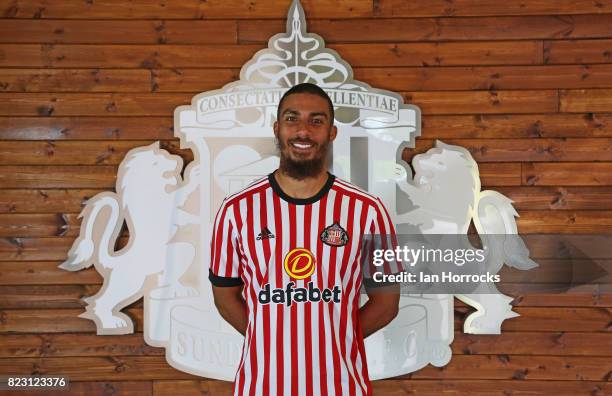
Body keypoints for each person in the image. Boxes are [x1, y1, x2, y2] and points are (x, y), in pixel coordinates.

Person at [209, 83, 400, 396]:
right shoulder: (236, 210)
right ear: (277, 128)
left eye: (316, 121)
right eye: (292, 119)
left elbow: (386, 304)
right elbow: (225, 296)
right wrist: (269, 338)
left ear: (331, 132)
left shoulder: (368, 211)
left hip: (341, 387)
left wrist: (333, 340)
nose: (303, 131)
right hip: (262, 387)